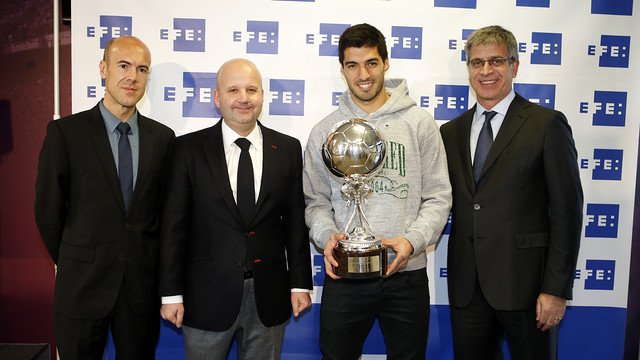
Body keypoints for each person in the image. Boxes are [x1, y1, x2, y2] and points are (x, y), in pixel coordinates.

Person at [303, 23, 452, 359]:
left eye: (371, 62)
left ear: (386, 63)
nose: (363, 75)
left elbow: (439, 196)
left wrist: (412, 242)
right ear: (342, 70)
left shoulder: (419, 123)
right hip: (345, 272)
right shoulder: (325, 131)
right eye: (352, 65)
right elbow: (315, 202)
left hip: (406, 274)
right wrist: (328, 236)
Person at [439, 25, 583, 359]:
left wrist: (555, 290)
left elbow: (567, 213)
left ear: (514, 66)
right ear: (469, 69)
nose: (486, 71)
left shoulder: (546, 124)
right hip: (467, 290)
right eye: (477, 63)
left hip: (529, 289)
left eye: (496, 61)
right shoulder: (450, 132)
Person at [158, 58, 313, 360]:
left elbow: (295, 222)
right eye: (233, 90)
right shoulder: (187, 149)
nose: (243, 98)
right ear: (217, 98)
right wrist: (171, 294)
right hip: (205, 297)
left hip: (269, 296)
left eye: (252, 89)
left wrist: (299, 284)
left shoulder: (288, 148)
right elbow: (173, 228)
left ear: (262, 96)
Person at [34, 35, 175, 359]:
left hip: (140, 289)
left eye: (142, 69)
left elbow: (166, 216)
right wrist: (77, 258)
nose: (132, 77)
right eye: (123, 66)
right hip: (81, 286)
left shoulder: (163, 139)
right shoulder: (66, 133)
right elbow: (48, 212)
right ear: (103, 69)